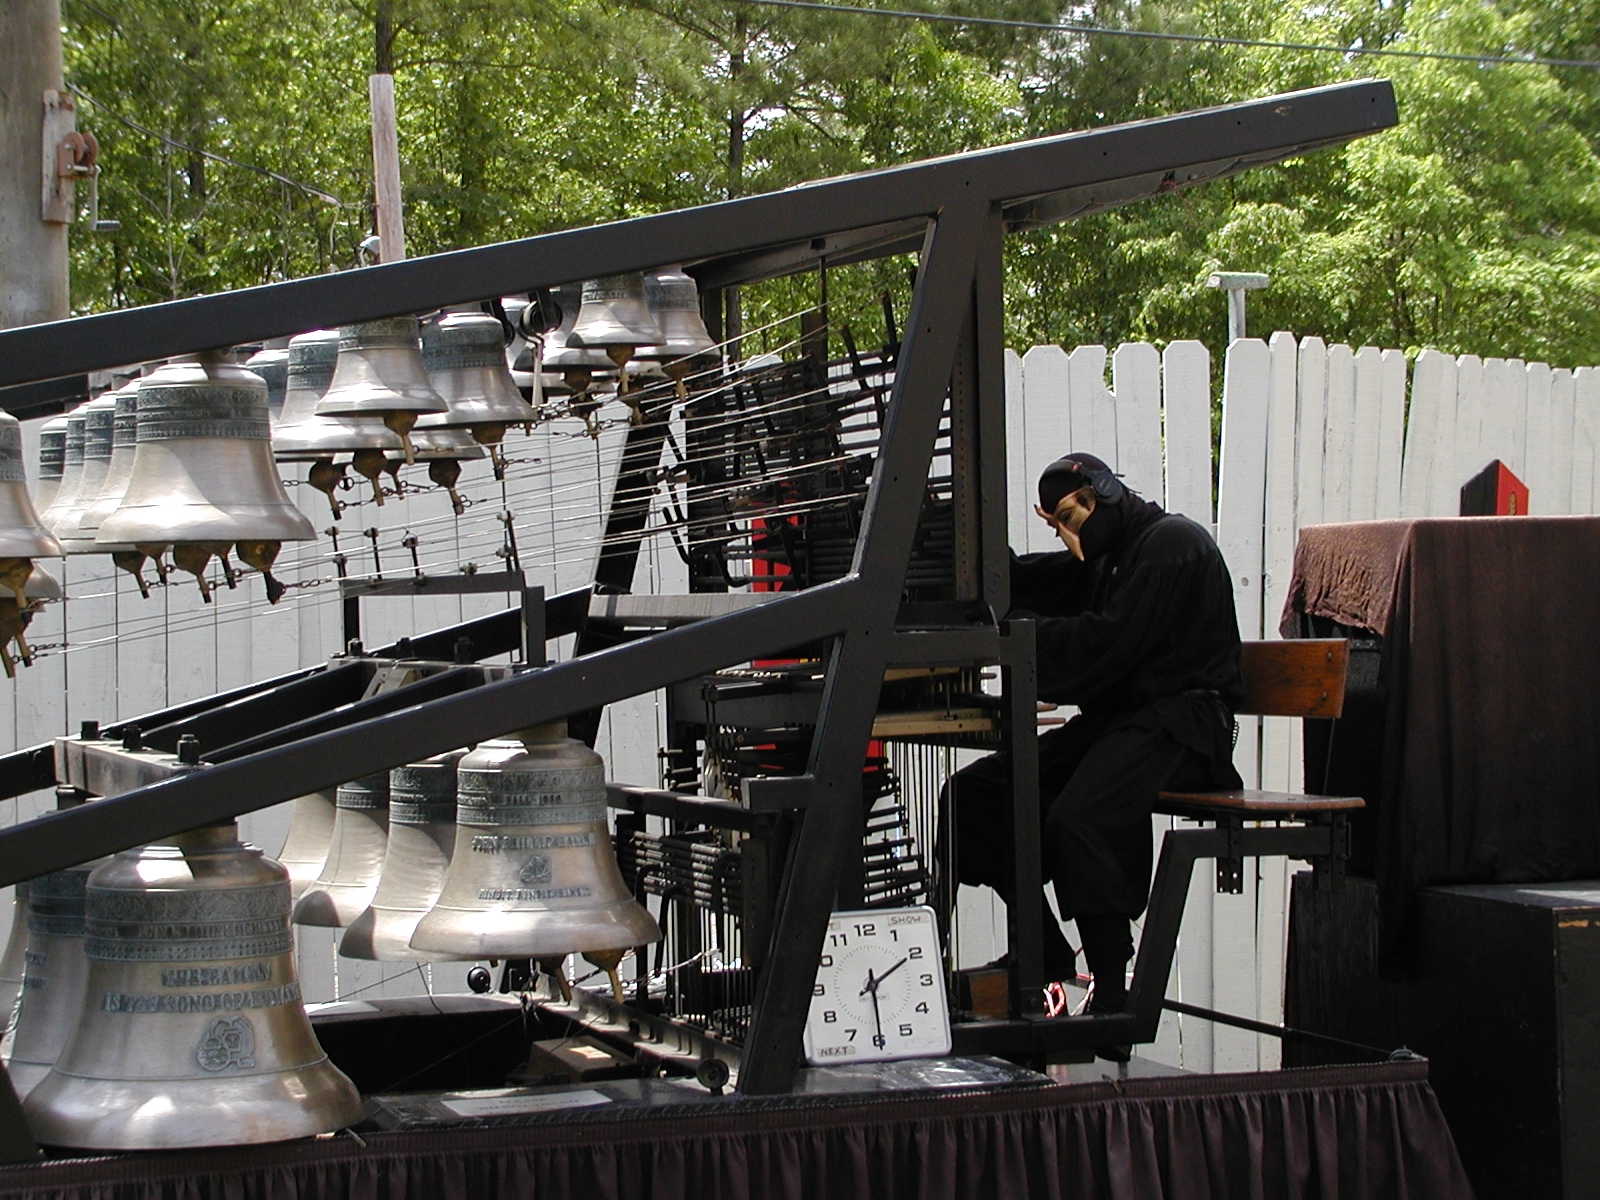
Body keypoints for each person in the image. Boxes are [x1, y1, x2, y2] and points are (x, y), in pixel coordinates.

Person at [943, 452, 1245, 1017]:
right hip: (1123, 724)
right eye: (1056, 524)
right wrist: (957, 552)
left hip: (1184, 727)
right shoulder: (1110, 558)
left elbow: (1107, 643)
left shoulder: (1172, 545)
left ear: (1097, 495)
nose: (1066, 533)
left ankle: (1110, 988)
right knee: (974, 796)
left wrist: (1022, 639)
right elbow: (1026, 581)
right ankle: (1044, 949)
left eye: (1069, 517)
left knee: (1080, 816)